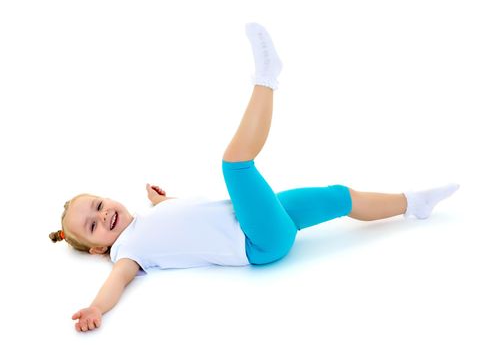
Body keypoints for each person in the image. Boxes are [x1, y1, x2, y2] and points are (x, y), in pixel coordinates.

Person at [49, 22, 459, 333]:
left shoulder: (147, 220)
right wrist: (96, 309)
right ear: (97, 250)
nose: (104, 217)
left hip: (260, 221)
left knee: (340, 196)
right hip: (256, 241)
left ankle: (412, 204)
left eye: (99, 206)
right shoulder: (127, 254)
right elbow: (115, 286)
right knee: (235, 164)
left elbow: (185, 217)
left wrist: (162, 201)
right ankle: (267, 78)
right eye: (93, 225)